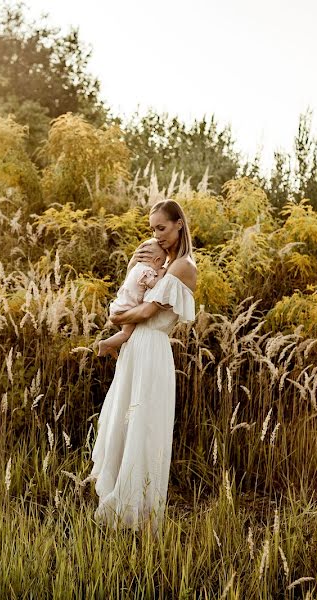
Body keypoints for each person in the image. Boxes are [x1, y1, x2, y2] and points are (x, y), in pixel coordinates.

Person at [90, 199, 197, 533]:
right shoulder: (161, 265)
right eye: (152, 229)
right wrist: (129, 272)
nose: (157, 235)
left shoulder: (183, 266)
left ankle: (142, 517)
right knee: (125, 423)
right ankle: (121, 509)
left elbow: (145, 313)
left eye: (162, 228)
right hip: (135, 349)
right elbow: (134, 297)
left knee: (145, 428)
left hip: (152, 350)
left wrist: (116, 316)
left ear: (179, 224)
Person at [97, 238, 169, 358]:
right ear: (157, 260)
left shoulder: (136, 268)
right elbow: (153, 284)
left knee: (125, 333)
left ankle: (112, 346)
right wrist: (161, 274)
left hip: (121, 304)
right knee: (126, 333)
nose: (160, 268)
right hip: (126, 308)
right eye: (161, 264)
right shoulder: (147, 271)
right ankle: (104, 344)